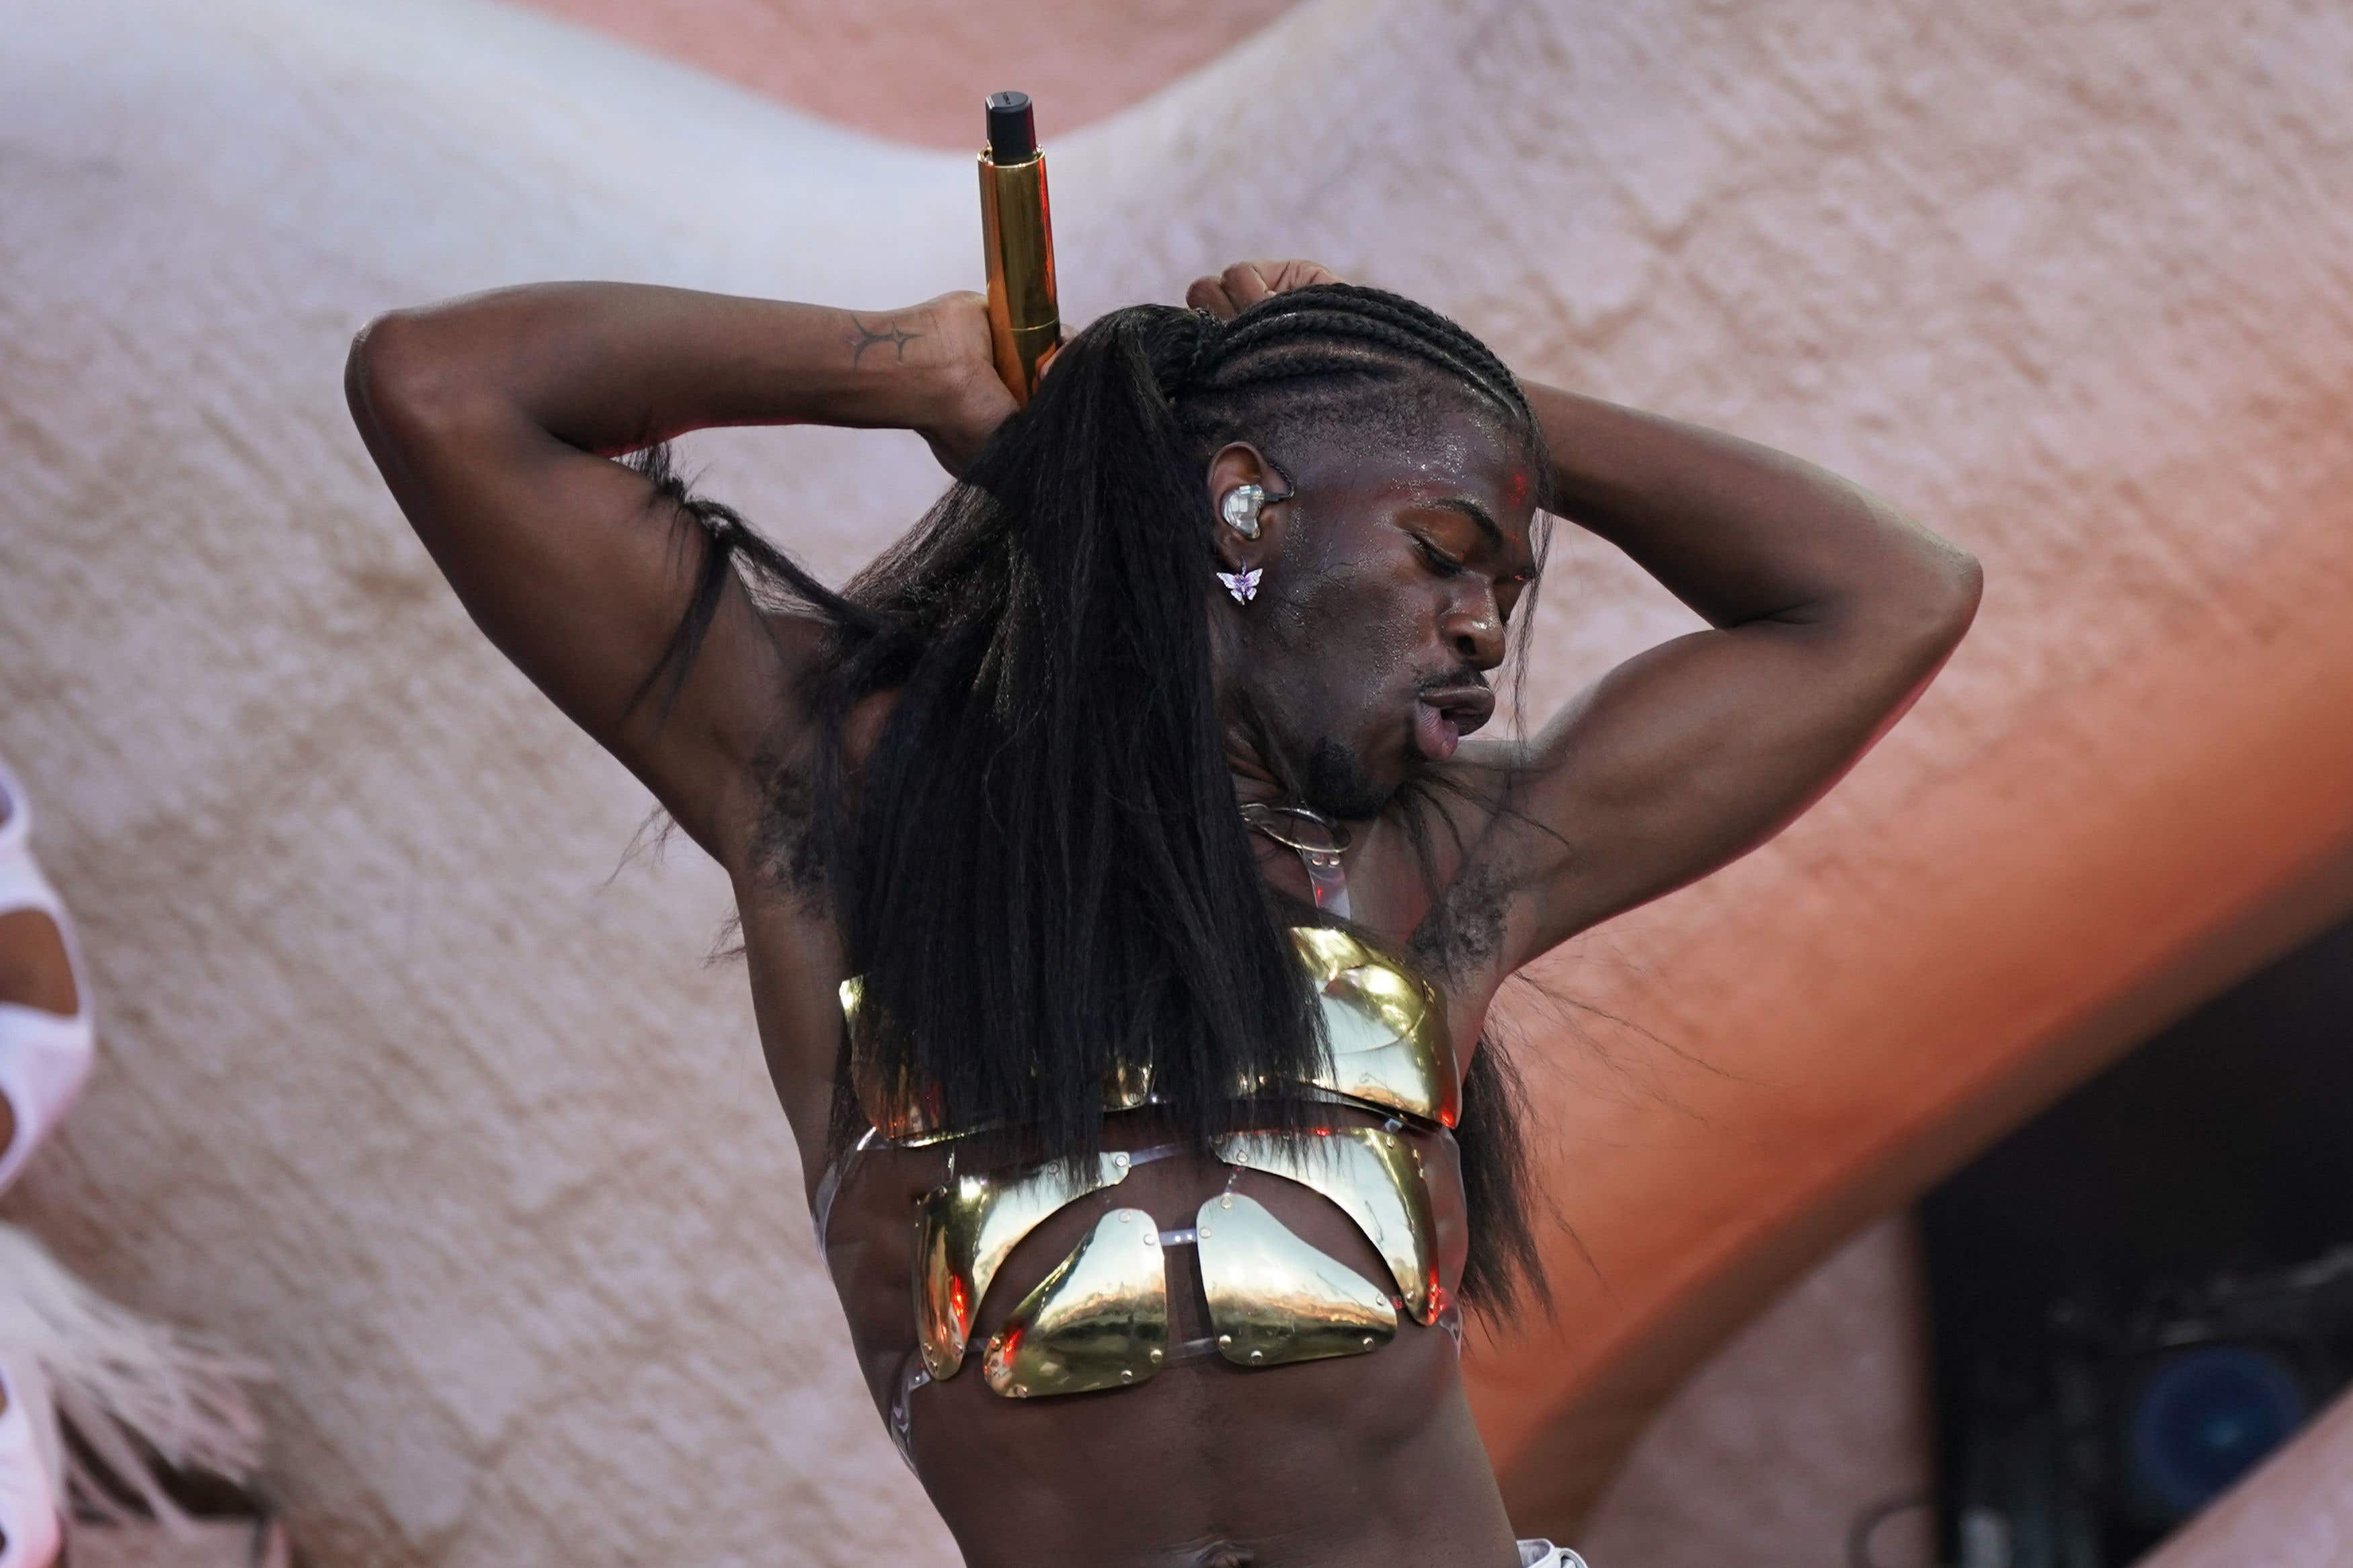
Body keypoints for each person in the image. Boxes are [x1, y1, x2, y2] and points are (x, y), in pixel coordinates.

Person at [344, 258, 1981, 1567]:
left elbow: (1888, 595)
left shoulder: (1445, 872)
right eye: (1444, 552)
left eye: (1505, 587)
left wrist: (1424, 390)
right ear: (1247, 512)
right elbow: (443, 387)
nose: (1484, 628)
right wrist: (910, 366)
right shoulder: (834, 804)